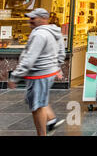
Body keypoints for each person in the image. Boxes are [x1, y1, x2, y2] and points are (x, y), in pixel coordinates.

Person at [8, 8, 66, 136]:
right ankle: (51, 121)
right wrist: (56, 67)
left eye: (33, 18)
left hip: (39, 74)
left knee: (37, 107)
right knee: (41, 101)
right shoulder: (55, 32)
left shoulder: (39, 34)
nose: (30, 21)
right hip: (47, 73)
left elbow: (29, 58)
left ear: (44, 19)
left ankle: (42, 133)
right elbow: (61, 53)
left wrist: (15, 77)